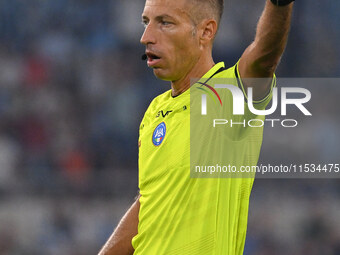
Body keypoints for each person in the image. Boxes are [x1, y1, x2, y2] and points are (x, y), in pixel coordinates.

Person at [99, 0, 294, 254]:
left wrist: (279, 4)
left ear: (205, 32)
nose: (145, 37)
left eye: (165, 23)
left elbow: (265, 56)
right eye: (146, 22)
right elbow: (150, 200)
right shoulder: (154, 111)